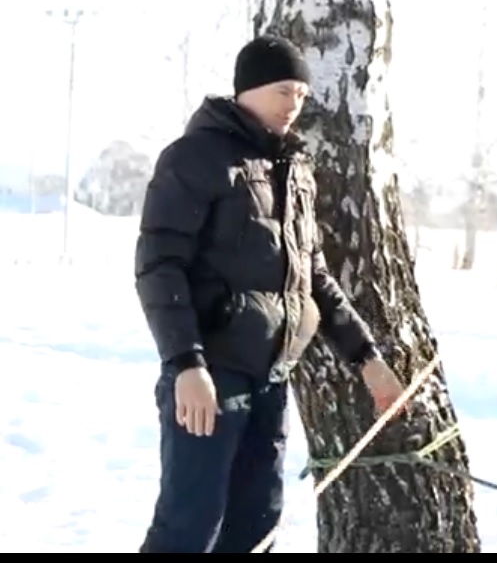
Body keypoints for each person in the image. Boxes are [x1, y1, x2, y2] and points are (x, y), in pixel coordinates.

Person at [134, 35, 406, 553]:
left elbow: (315, 280)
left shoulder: (294, 170)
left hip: (271, 378)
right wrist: (186, 364)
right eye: (284, 91)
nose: (294, 105)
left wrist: (367, 357)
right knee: (189, 527)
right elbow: (158, 266)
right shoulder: (195, 158)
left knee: (256, 526)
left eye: (302, 95)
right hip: (210, 376)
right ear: (249, 89)